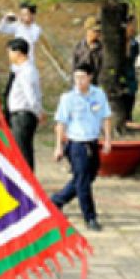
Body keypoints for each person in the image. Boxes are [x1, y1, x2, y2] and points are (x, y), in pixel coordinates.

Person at [51, 63, 112, 232]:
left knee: (87, 177)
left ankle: (56, 201)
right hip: (76, 144)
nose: (79, 81)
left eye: (82, 77)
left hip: (92, 142)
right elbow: (60, 123)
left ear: (90, 77)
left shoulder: (99, 94)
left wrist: (108, 139)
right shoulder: (68, 98)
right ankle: (90, 217)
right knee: (83, 181)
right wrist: (58, 147)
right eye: (76, 77)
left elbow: (106, 117)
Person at [5, 38, 43, 170]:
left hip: (23, 114)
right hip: (21, 114)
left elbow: (31, 94)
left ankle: (26, 176)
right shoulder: (24, 70)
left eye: (10, 52)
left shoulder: (27, 71)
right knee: (22, 148)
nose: (9, 55)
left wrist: (38, 111)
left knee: (22, 150)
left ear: (19, 53)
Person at [71, 17, 104, 85]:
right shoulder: (78, 47)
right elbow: (75, 68)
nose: (98, 34)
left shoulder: (101, 48)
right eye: (95, 31)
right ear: (88, 30)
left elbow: (100, 70)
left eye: (99, 31)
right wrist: (89, 52)